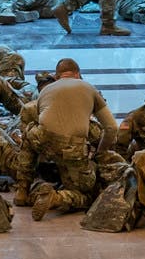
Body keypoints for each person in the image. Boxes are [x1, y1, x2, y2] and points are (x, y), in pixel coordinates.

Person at [25, 57, 121, 213]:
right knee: (88, 193)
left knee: (30, 133)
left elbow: (40, 121)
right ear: (78, 74)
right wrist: (100, 152)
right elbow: (111, 128)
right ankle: (57, 198)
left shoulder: (45, 91)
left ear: (57, 76)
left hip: (43, 145)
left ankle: (23, 189)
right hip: (72, 150)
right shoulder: (89, 88)